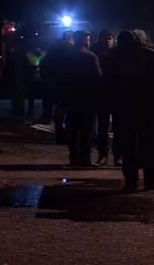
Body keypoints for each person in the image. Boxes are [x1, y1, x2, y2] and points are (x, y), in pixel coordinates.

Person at [111, 30, 154, 192]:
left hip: (124, 107)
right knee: (148, 145)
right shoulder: (151, 55)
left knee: (128, 145)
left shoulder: (115, 57)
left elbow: (109, 81)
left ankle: (131, 182)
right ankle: (151, 181)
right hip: (146, 106)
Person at [64, 30, 102, 167]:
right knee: (87, 129)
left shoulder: (66, 56)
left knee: (72, 130)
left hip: (71, 97)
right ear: (84, 40)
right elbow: (98, 79)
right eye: (88, 39)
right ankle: (85, 159)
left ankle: (73, 158)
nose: (89, 41)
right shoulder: (90, 57)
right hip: (87, 98)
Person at [41, 30, 74, 144]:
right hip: (66, 85)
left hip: (56, 85)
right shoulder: (69, 52)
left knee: (59, 111)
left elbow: (44, 67)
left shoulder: (52, 53)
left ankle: (60, 136)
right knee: (67, 112)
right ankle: (66, 135)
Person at [92, 29, 119, 166]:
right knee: (103, 126)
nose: (108, 40)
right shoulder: (95, 52)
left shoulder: (118, 53)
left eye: (110, 38)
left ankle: (117, 155)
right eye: (106, 38)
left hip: (116, 94)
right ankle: (103, 153)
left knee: (118, 126)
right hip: (101, 93)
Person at [25, 43, 51, 121]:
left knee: (45, 98)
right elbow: (28, 66)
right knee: (31, 97)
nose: (37, 48)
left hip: (42, 79)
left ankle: (46, 114)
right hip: (33, 79)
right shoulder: (29, 54)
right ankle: (30, 114)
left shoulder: (44, 54)